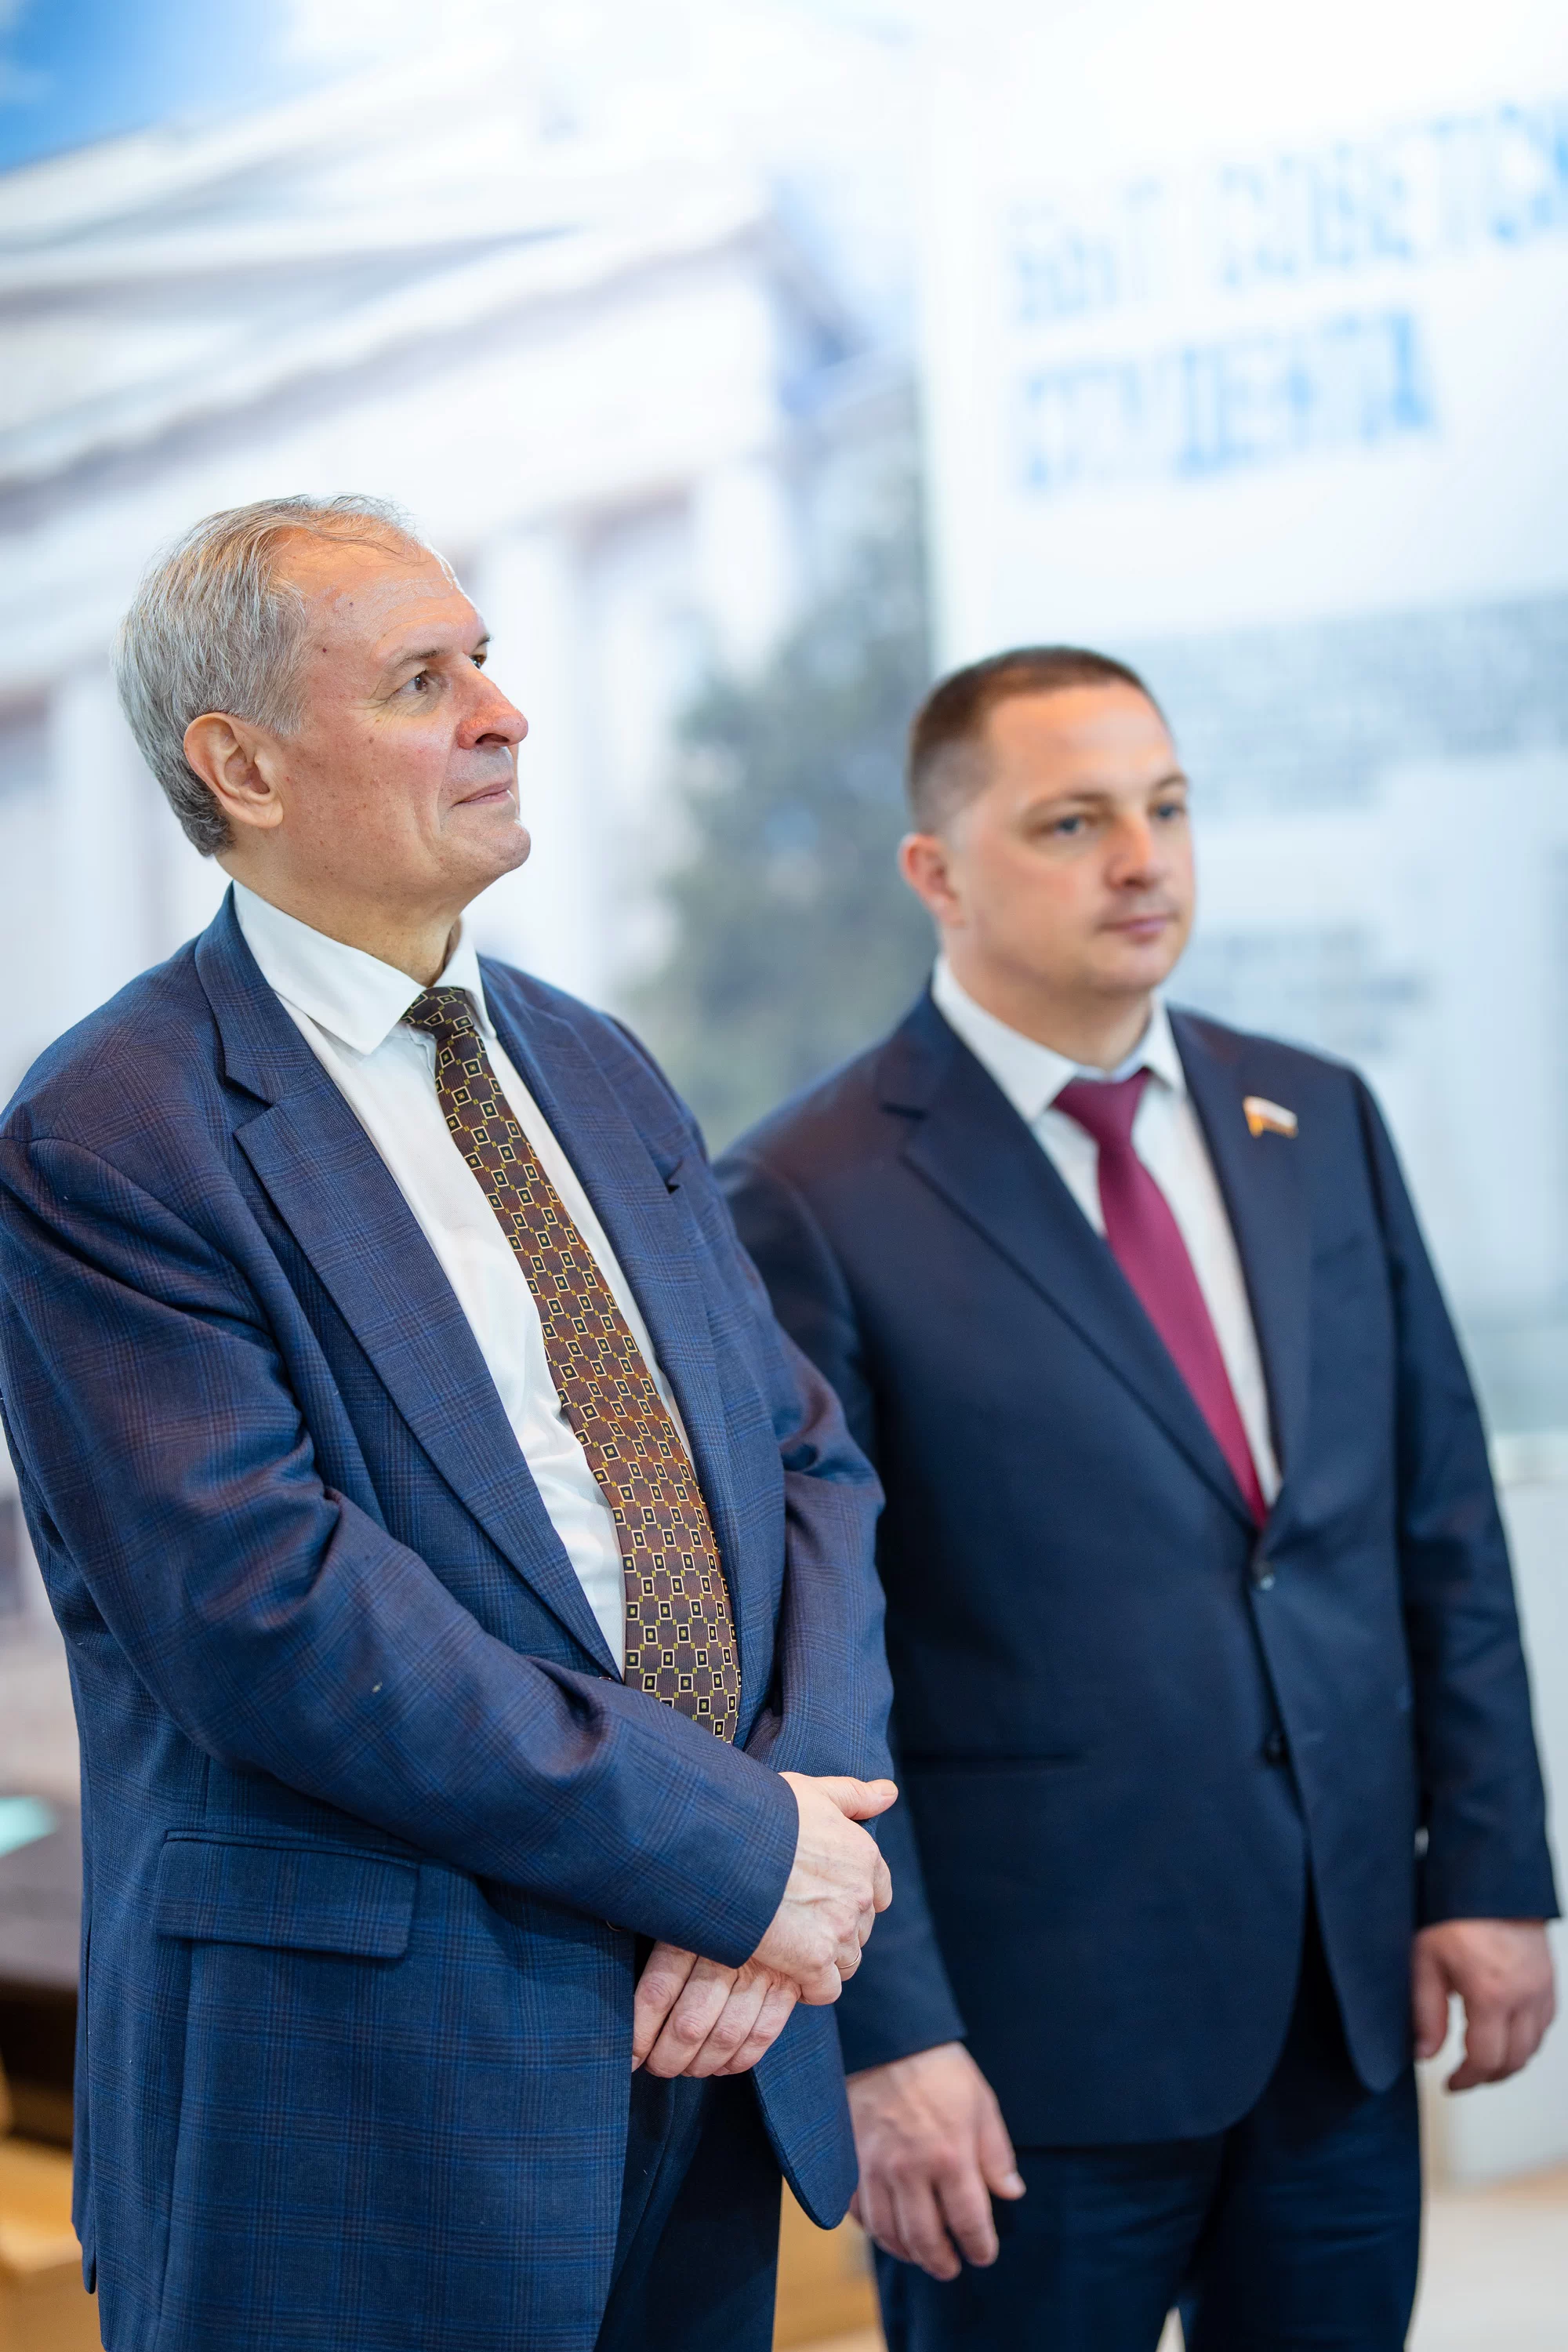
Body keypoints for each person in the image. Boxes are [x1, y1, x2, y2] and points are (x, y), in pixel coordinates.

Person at [0, 495, 898, 2352]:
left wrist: (790, 1833)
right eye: (423, 680)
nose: (503, 712)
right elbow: (275, 1618)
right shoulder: (109, 1135)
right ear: (243, 766)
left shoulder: (591, 1062)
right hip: (363, 2096)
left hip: (712, 2035)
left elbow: (797, 1460)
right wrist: (731, 1852)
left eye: (483, 660)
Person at [718, 646, 1559, 2351]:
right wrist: (889, 2030)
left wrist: (1489, 1866)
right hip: (1026, 2049)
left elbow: (1437, 1526)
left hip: (1336, 2001)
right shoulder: (807, 1192)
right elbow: (810, 1665)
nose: (1140, 860)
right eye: (1073, 822)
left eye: (1167, 810)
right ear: (936, 871)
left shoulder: (1314, 1114)